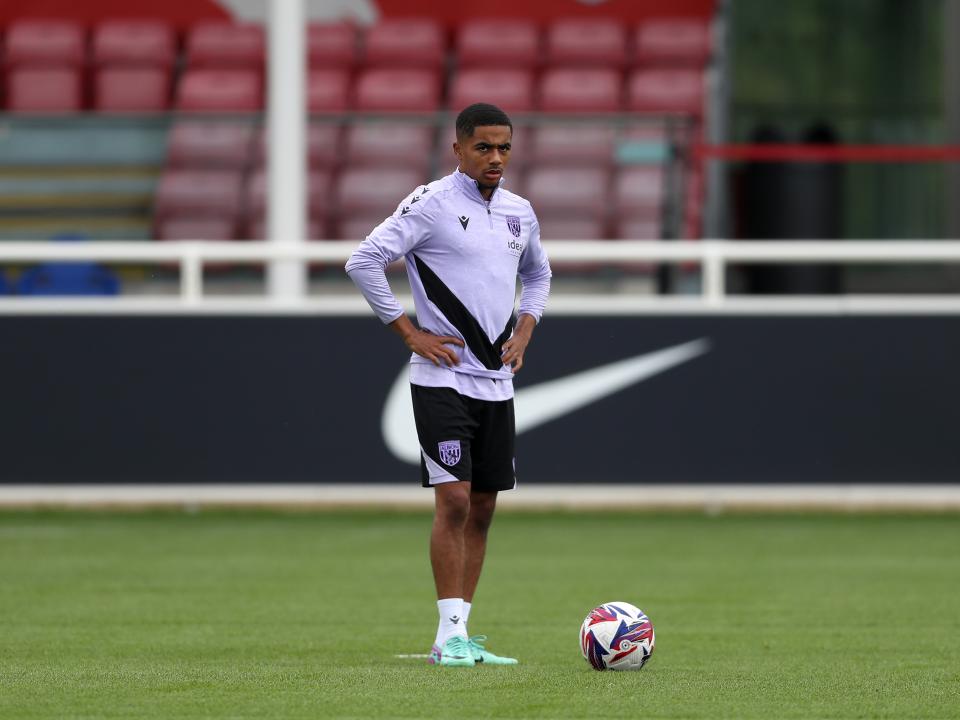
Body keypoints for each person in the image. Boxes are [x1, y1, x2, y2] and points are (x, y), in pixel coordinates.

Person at [345, 103, 552, 667]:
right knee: (454, 499)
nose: (496, 158)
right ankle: (447, 637)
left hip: (497, 381)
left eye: (504, 147)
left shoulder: (520, 212)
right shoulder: (431, 203)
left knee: (483, 507)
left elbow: (539, 272)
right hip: (441, 377)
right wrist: (409, 333)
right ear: (457, 149)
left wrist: (526, 329)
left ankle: (460, 636)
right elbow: (364, 261)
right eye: (484, 147)